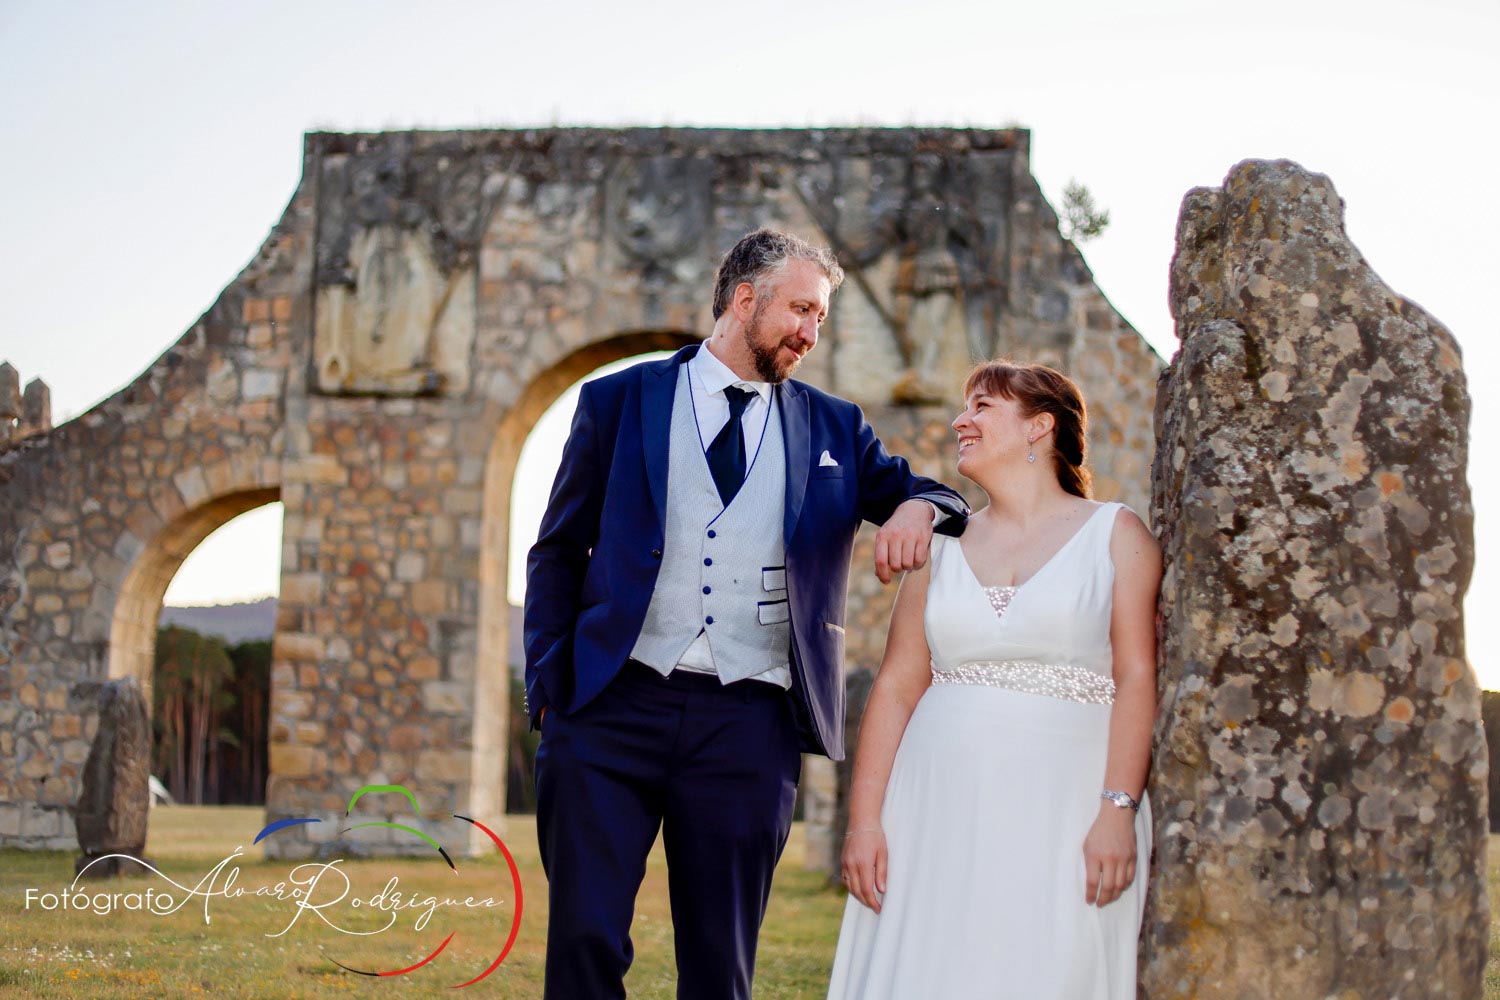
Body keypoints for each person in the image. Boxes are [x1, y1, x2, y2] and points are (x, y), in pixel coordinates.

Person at [524, 228, 972, 1000]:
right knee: (584, 944)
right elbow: (557, 551)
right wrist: (548, 686)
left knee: (720, 964)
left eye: (821, 317)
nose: (811, 332)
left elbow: (935, 492)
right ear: (743, 300)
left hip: (748, 725)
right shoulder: (617, 401)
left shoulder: (834, 427)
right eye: (800, 310)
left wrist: (920, 509)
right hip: (609, 707)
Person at [826, 361, 1161, 1000]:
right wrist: (865, 823)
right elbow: (896, 686)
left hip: (1064, 804)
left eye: (982, 406)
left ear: (1040, 426)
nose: (961, 420)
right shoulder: (939, 544)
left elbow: (1137, 676)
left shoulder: (1116, 535)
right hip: (933, 807)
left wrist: (1117, 809)